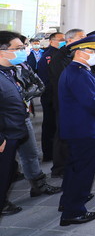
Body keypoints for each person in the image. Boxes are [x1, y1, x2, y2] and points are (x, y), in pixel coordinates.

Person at [58, 34, 95, 226]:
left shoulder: (77, 70)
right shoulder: (79, 73)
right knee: (83, 171)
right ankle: (74, 211)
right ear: (79, 52)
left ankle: (68, 202)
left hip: (76, 128)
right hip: (84, 129)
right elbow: (91, 102)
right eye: (93, 51)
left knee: (74, 168)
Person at [13, 53, 62, 199]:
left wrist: (22, 94)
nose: (22, 52)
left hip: (23, 115)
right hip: (6, 120)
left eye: (22, 47)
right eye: (17, 48)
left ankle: (38, 186)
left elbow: (40, 86)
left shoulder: (22, 66)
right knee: (7, 158)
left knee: (30, 153)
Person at [48, 28, 86, 179]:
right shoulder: (59, 57)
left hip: (74, 102)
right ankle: (60, 167)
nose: (85, 39)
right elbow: (65, 82)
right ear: (69, 40)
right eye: (81, 37)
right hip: (65, 102)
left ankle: (70, 162)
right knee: (63, 134)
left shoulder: (72, 54)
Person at [0, 31, 29, 216]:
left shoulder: (8, 72)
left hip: (13, 134)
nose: (23, 52)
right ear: (2, 52)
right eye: (18, 49)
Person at [37, 32, 65, 162]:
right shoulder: (48, 56)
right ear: (52, 41)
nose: (63, 41)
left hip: (58, 95)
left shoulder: (61, 54)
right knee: (49, 125)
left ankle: (54, 152)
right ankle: (48, 153)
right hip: (50, 96)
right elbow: (46, 80)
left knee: (56, 124)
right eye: (61, 39)